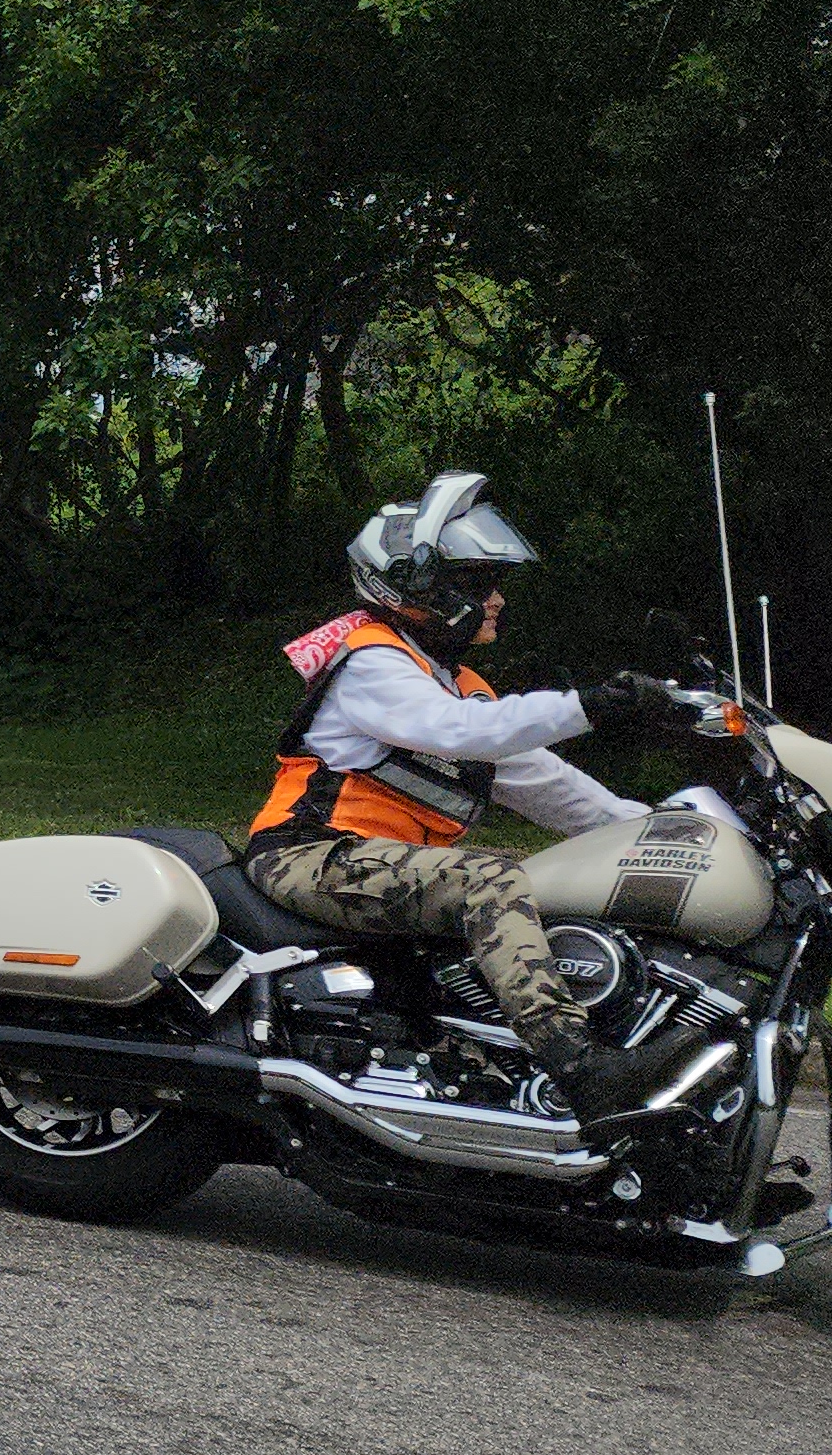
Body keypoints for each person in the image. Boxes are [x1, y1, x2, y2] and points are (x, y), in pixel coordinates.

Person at [244, 471, 702, 1140]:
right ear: (420, 587)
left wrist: (665, 830)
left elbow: (551, 786)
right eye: (479, 583)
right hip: (310, 854)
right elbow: (463, 733)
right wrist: (591, 705)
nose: (496, 599)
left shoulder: (458, 683)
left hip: (374, 866)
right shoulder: (372, 662)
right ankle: (583, 1069)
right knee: (490, 880)